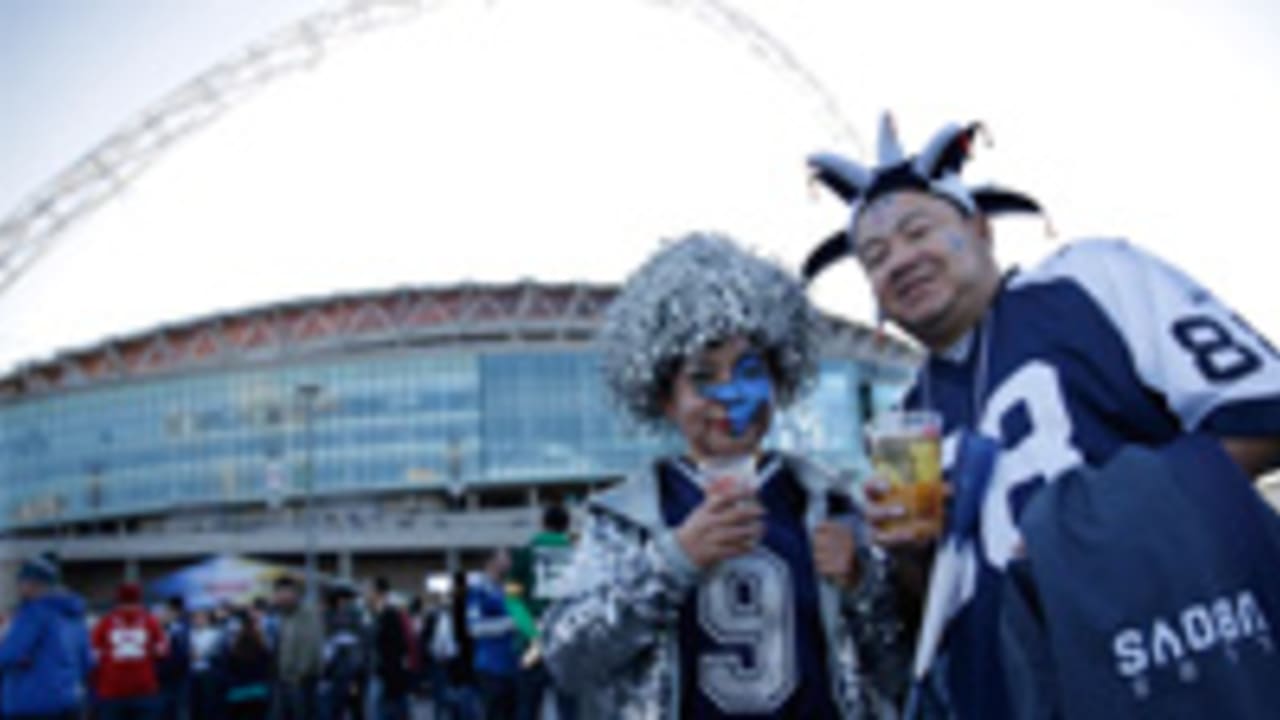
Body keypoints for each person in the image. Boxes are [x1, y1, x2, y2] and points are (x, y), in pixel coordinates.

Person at [802, 114, 1280, 718]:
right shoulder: (907, 418)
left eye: (917, 230)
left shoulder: (1090, 280)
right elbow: (941, 616)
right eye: (874, 256)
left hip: (1164, 667)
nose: (897, 260)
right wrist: (910, 555)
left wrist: (1089, 533)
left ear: (979, 229)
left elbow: (1262, 411)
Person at [541, 233, 908, 719]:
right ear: (666, 400)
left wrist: (862, 583)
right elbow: (568, 661)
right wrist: (672, 562)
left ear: (778, 385)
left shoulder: (832, 502)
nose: (730, 395)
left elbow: (898, 670)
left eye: (748, 370)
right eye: (703, 377)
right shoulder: (623, 519)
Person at [0, 556, 92, 720]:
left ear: (31, 584)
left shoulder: (33, 613)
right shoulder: (74, 615)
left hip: (30, 703)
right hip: (69, 700)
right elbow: (87, 661)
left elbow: (9, 655)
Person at [508, 504, 577, 720]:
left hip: (532, 647)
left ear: (542, 523)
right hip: (569, 645)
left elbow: (512, 599)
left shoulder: (524, 553)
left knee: (528, 707)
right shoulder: (580, 554)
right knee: (571, 709)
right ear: (567, 525)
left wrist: (533, 634)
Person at [91, 582, 168, 720]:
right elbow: (162, 651)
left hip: (112, 690)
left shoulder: (105, 623)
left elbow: (93, 655)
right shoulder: (150, 622)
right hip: (143, 688)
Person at [467, 550, 519, 720]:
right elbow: (474, 628)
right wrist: (508, 623)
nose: (509, 562)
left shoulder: (508, 589)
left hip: (512, 666)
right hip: (491, 667)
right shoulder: (478, 589)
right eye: (504, 558)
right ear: (490, 563)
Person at [270, 575, 323, 720]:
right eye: (277, 593)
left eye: (281, 593)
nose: (278, 597)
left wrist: (299, 674)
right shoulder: (284, 616)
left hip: (300, 681)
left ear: (293, 593)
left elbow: (310, 646)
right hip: (283, 679)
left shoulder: (306, 614)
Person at [318, 584, 366, 720]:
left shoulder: (334, 618)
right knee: (353, 707)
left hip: (341, 672)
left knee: (340, 708)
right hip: (349, 671)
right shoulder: (355, 617)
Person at [367, 578, 410, 720]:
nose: (367, 594)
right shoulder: (374, 615)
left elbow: (396, 647)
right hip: (380, 673)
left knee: (380, 711)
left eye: (370, 590)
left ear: (379, 593)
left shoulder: (390, 616)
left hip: (386, 675)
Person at [220, 610, 273, 720]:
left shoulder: (233, 647)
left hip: (238, 694)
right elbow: (267, 665)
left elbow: (228, 669)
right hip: (257, 692)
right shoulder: (260, 642)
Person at [158, 596, 193, 720]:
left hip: (181, 675)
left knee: (181, 708)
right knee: (164, 709)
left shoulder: (183, 629)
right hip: (162, 677)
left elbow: (186, 652)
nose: (164, 616)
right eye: (162, 614)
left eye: (167, 613)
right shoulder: (156, 632)